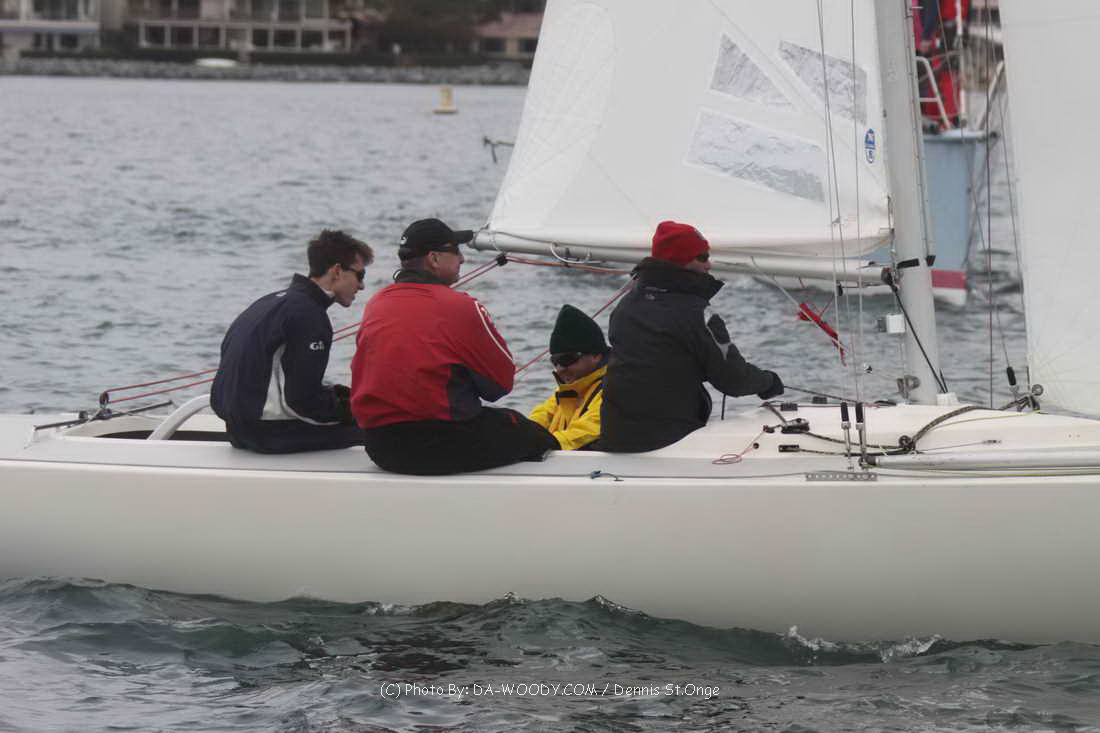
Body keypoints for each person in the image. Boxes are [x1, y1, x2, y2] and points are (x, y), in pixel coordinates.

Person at [350, 217, 559, 474]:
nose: (462, 259)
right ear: (434, 258)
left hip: (380, 446)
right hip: (441, 444)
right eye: (456, 251)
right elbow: (499, 386)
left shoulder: (376, 303)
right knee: (535, 435)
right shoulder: (461, 306)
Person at [601, 220, 784, 453]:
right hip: (668, 443)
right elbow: (733, 379)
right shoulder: (695, 313)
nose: (709, 265)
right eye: (702, 257)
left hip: (615, 438)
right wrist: (768, 382)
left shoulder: (626, 306)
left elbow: (659, 361)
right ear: (681, 261)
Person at [211, 229, 372, 454]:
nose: (362, 286)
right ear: (336, 271)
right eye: (360, 275)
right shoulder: (309, 314)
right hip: (269, 433)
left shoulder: (268, 302)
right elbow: (301, 401)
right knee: (376, 432)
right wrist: (347, 411)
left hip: (236, 428)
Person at [528, 304, 609, 451]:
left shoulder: (615, 387)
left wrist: (539, 445)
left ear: (596, 355)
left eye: (567, 359)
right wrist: (521, 435)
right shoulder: (569, 388)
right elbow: (543, 415)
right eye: (555, 361)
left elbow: (590, 428)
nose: (559, 369)